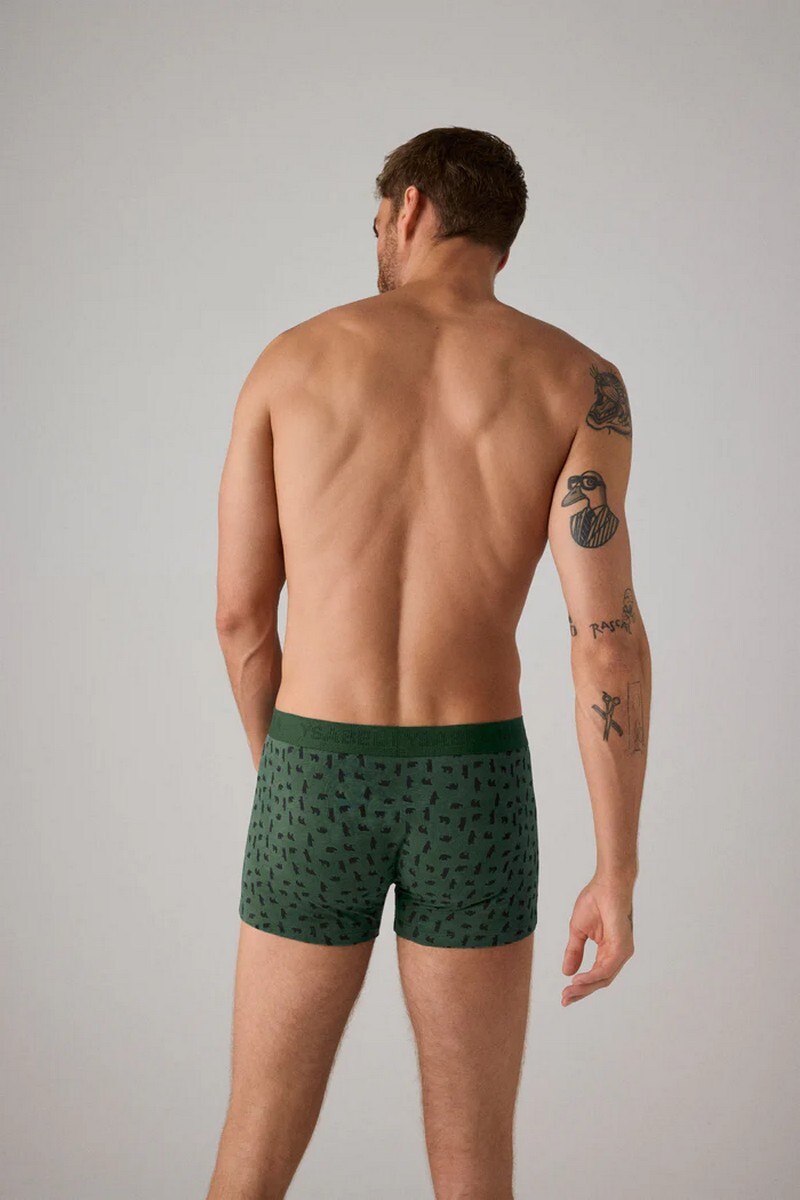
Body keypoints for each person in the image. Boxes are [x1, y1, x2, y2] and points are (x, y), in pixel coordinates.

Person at [207, 126, 651, 1200]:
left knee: (252, 1156)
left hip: (316, 764)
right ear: (502, 238)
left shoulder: (290, 361)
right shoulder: (578, 380)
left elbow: (241, 619)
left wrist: (290, 777)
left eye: (377, 222)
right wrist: (616, 870)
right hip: (474, 784)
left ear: (408, 208)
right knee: (473, 1168)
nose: (377, 240)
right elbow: (605, 642)